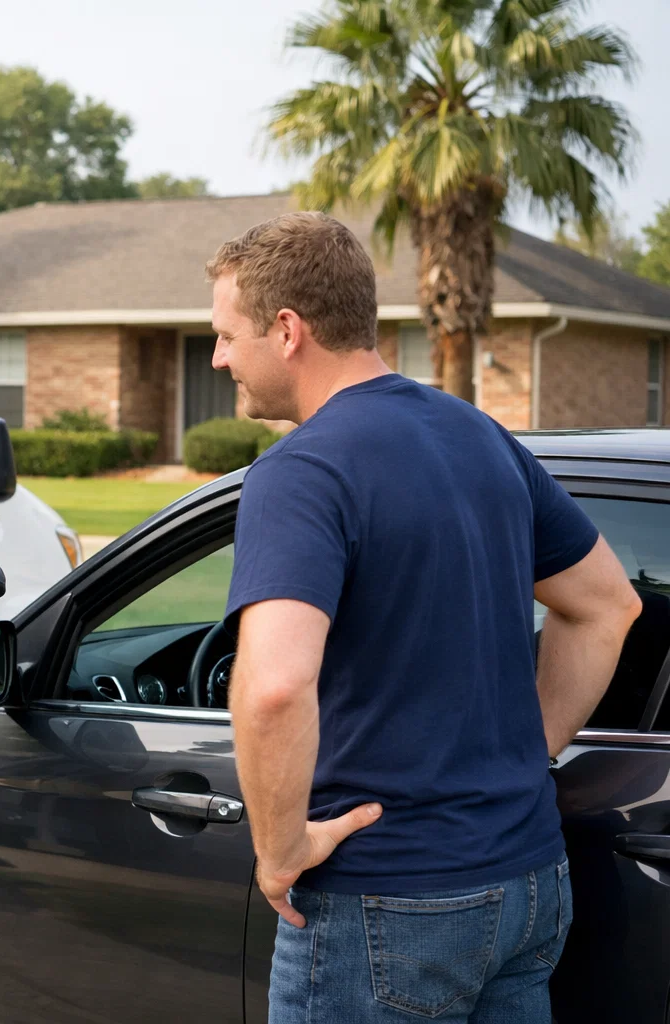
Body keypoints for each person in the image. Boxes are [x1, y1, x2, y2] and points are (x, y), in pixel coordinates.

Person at [209, 212, 643, 1022]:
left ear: (287, 329)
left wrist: (280, 850)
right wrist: (524, 751)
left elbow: (272, 687)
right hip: (529, 881)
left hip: (387, 897)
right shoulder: (482, 437)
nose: (218, 357)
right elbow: (608, 607)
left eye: (228, 335)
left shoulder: (301, 471)